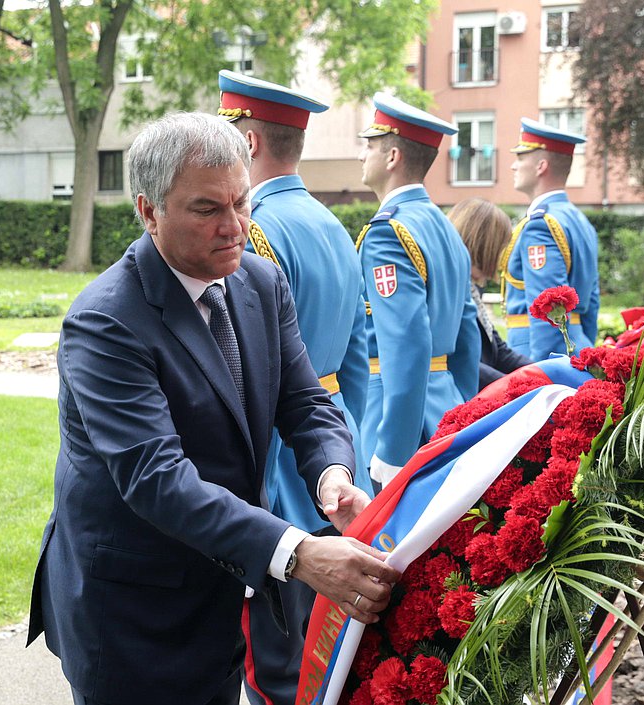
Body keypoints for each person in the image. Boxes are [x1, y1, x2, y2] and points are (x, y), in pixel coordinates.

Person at [27, 112, 400, 705]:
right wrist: (299, 553)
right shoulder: (105, 321)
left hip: (219, 594)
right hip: (133, 612)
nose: (233, 227)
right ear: (149, 211)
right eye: (207, 209)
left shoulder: (260, 281)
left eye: (242, 202)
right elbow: (157, 479)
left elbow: (306, 401)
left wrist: (332, 475)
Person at [217, 69, 372, 705]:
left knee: (275, 662)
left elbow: (239, 367)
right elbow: (356, 358)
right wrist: (345, 449)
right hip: (328, 456)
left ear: (247, 145)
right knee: (323, 654)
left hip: (280, 465)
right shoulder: (332, 224)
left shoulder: (257, 230)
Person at [355, 93, 480, 486]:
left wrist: (393, 448)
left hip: (396, 421)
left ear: (392, 157)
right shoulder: (445, 228)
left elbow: (406, 342)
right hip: (444, 407)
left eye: (370, 145)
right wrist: (460, 411)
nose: (363, 156)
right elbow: (468, 335)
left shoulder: (387, 233)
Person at [502, 117, 601, 359]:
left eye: (520, 158)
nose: (513, 166)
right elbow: (592, 302)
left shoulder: (541, 225)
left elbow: (549, 309)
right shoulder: (579, 220)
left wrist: (544, 373)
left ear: (541, 167)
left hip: (540, 355)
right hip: (578, 345)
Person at [447, 198, 534, 390]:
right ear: (484, 246)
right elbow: (456, 360)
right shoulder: (450, 289)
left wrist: (545, 373)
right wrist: (515, 387)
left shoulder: (468, 287)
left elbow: (497, 350)